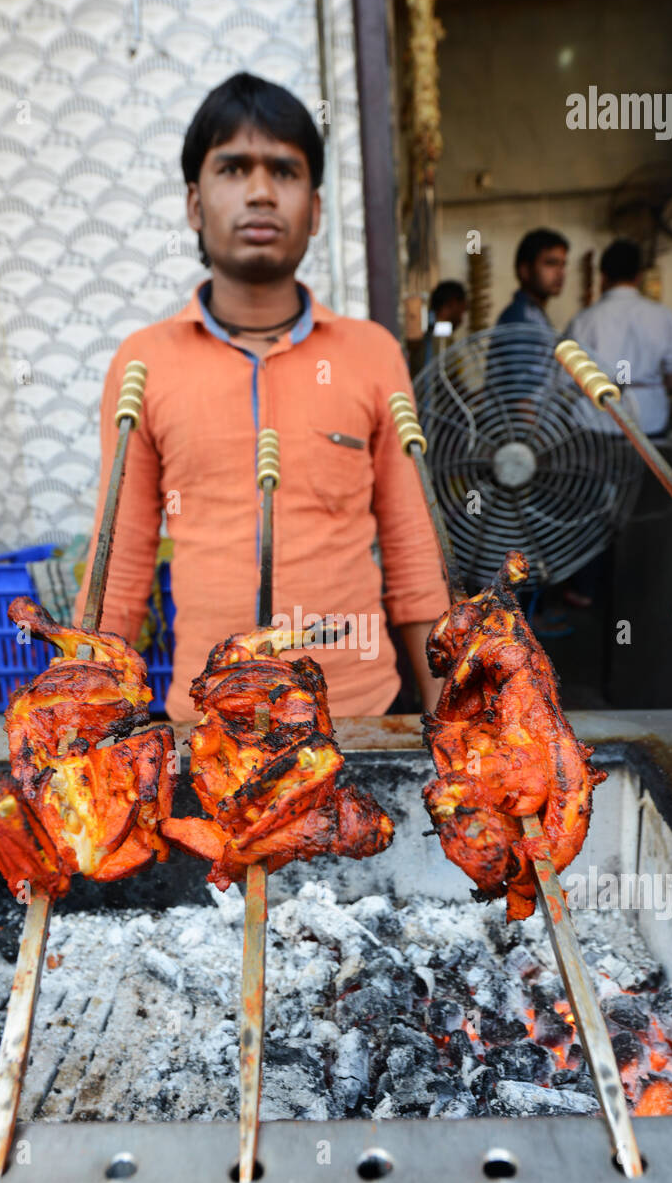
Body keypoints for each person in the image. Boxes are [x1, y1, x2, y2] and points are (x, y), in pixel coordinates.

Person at [73, 72, 448, 722]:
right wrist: (72, 729)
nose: (258, 192)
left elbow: (415, 557)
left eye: (283, 170)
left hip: (360, 718)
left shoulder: (372, 353)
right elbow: (120, 565)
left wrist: (454, 740)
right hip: (208, 727)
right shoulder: (144, 362)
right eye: (232, 168)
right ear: (195, 204)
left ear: (316, 209)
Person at [564, 238, 672, 438]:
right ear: (638, 277)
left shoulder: (583, 320)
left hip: (594, 422)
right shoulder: (663, 316)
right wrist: (650, 389)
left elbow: (566, 379)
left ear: (603, 276)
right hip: (649, 419)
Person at [496, 229, 569, 328]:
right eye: (551, 263)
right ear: (525, 270)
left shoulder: (535, 314)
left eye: (562, 265)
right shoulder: (519, 319)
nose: (560, 273)